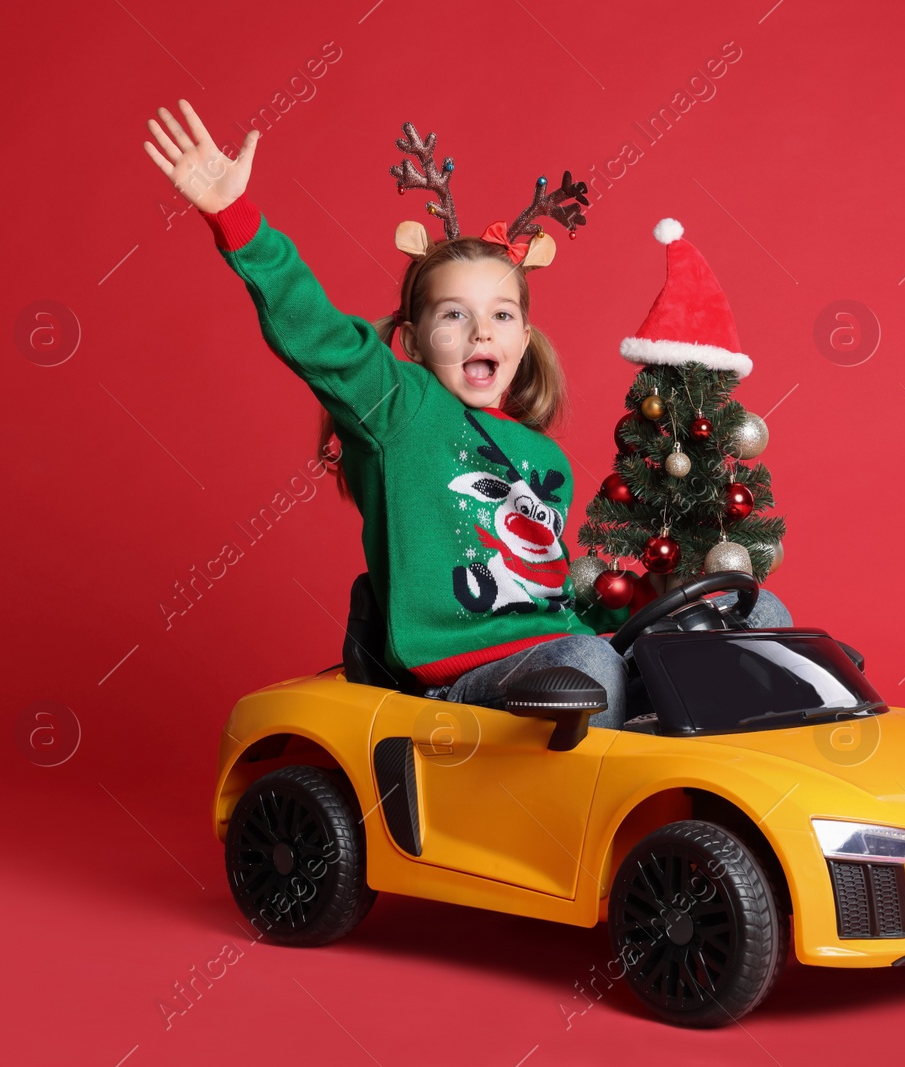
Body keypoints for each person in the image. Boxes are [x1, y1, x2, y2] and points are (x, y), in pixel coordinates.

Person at [142, 100, 789, 728]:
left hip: (565, 655)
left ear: (524, 336)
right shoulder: (401, 410)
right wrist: (235, 216)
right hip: (466, 683)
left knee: (752, 609)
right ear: (416, 341)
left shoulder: (545, 459)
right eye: (454, 314)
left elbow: (548, 593)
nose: (482, 331)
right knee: (585, 661)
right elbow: (318, 334)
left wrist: (643, 607)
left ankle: (734, 790)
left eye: (501, 315)